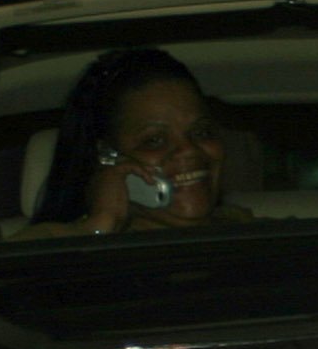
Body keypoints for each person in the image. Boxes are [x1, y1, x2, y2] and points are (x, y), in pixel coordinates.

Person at [25, 48, 251, 236]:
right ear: (108, 156)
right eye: (155, 140)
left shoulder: (256, 234)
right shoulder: (44, 244)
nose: (189, 150)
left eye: (201, 132)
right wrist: (100, 226)